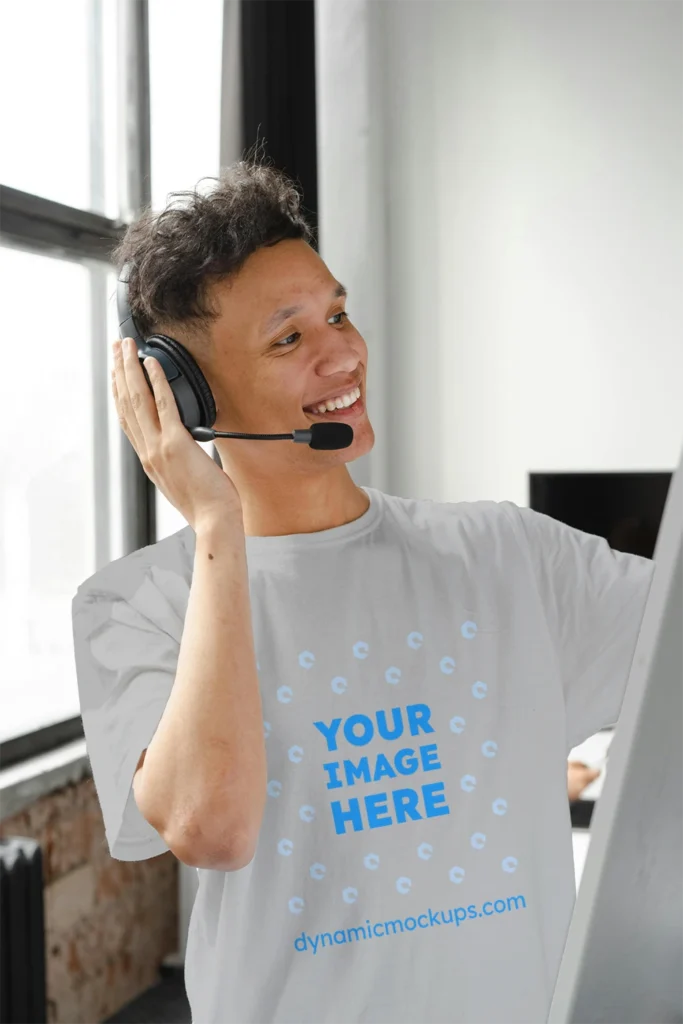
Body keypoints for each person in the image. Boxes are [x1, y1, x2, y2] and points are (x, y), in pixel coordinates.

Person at [71, 155, 655, 1024]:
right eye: (288, 337)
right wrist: (217, 530)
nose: (342, 350)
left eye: (336, 312)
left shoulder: (510, 556)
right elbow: (212, 825)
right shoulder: (136, 607)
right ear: (187, 397)